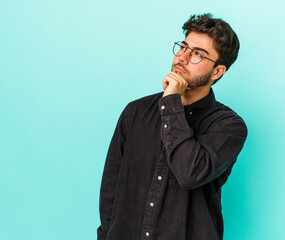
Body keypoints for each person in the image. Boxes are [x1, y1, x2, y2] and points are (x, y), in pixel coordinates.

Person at [97, 13, 247, 240]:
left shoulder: (228, 126)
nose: (182, 58)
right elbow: (111, 189)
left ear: (217, 71)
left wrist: (171, 103)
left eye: (198, 54)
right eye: (183, 47)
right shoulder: (135, 112)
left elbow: (189, 173)